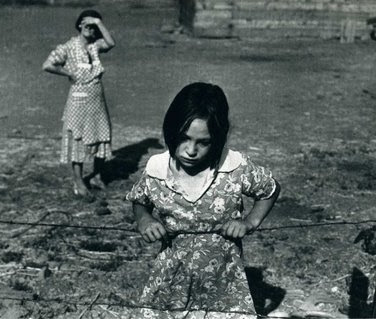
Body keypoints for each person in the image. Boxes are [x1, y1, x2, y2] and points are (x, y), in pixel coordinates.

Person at [126, 82, 281, 318]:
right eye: (184, 138)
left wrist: (249, 222)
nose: (190, 150)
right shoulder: (157, 169)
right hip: (171, 280)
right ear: (171, 130)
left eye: (203, 142)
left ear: (217, 139)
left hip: (223, 282)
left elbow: (270, 189)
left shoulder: (234, 168)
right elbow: (140, 199)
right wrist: (144, 219)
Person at [42, 10, 115, 200]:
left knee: (101, 134)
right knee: (78, 140)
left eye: (94, 27)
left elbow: (111, 43)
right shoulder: (68, 47)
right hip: (78, 99)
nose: (91, 30)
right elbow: (48, 65)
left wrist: (99, 22)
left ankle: (98, 175)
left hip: (97, 98)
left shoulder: (95, 46)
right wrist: (68, 73)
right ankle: (78, 181)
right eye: (88, 26)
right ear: (80, 25)